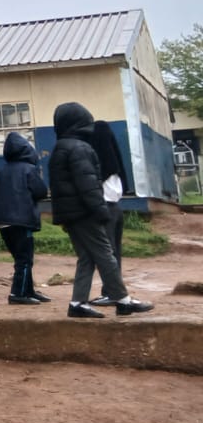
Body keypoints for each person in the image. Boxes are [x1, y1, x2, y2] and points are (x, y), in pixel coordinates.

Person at [47, 102, 153, 319]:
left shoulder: (60, 148)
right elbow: (88, 185)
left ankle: (78, 303)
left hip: (71, 214)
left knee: (87, 257)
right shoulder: (80, 148)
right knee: (106, 254)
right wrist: (101, 210)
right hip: (86, 212)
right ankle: (123, 301)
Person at [0, 132, 50, 304]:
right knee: (25, 259)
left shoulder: (1, 172)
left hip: (2, 222)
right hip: (21, 221)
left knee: (20, 258)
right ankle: (18, 294)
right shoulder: (28, 169)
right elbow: (41, 192)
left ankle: (28, 291)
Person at [89, 120, 131, 307]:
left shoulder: (101, 167)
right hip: (116, 208)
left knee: (107, 253)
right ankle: (114, 291)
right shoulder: (115, 167)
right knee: (114, 252)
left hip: (105, 208)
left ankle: (112, 292)